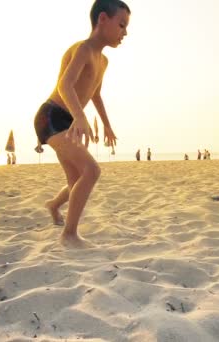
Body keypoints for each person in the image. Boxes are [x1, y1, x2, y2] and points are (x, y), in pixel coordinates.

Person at [32, 0, 130, 248]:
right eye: (121, 25)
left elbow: (95, 94)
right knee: (92, 171)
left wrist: (106, 125)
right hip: (51, 116)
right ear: (102, 19)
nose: (125, 33)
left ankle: (53, 206)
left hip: (67, 117)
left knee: (76, 180)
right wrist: (79, 115)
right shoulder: (83, 49)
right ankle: (69, 235)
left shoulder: (104, 61)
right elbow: (65, 85)